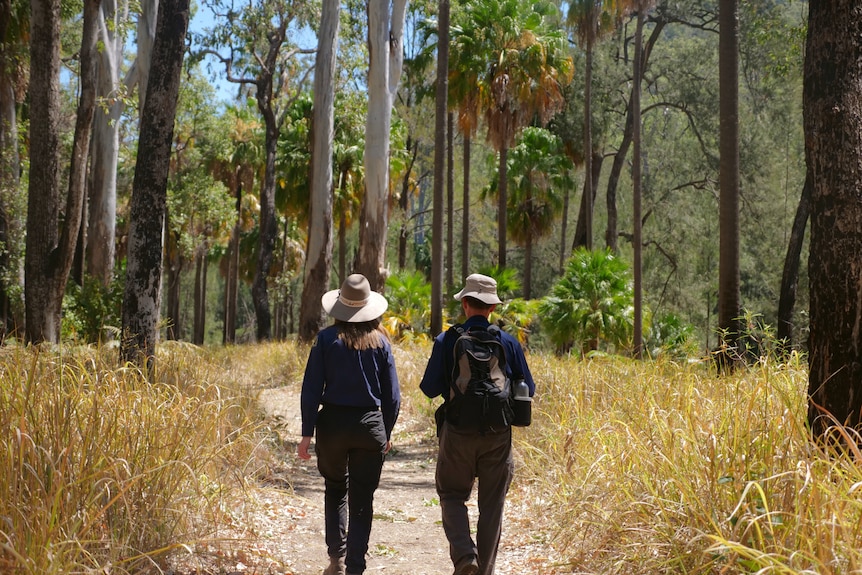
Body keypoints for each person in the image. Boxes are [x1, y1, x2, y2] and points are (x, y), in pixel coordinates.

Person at [420, 273, 535, 575]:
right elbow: (529, 389)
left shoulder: (448, 339)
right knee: (492, 506)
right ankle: (484, 571)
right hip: (498, 435)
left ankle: (464, 556)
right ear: (492, 309)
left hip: (457, 431)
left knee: (452, 495)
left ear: (466, 305)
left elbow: (429, 388)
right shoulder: (507, 342)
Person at [298, 274, 401, 575]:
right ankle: (356, 565)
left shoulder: (326, 340)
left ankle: (336, 559)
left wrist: (307, 433)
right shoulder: (381, 342)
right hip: (370, 425)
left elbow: (311, 389)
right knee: (363, 497)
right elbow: (392, 396)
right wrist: (386, 431)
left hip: (331, 425)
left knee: (335, 488)